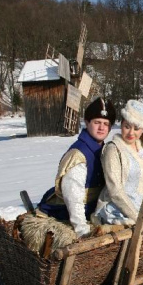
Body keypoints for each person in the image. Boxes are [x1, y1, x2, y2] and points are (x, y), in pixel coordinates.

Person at [37, 97, 116, 237]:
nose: (101, 127)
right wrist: (82, 230)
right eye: (97, 122)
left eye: (106, 123)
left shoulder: (103, 150)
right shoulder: (78, 155)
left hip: (92, 209)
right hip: (64, 213)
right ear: (87, 122)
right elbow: (73, 198)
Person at [94, 100, 143, 228]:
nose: (131, 133)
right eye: (127, 126)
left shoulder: (142, 149)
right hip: (118, 207)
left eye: (136, 128)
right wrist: (139, 216)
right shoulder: (113, 149)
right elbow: (115, 190)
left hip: (140, 205)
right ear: (121, 124)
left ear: (142, 129)